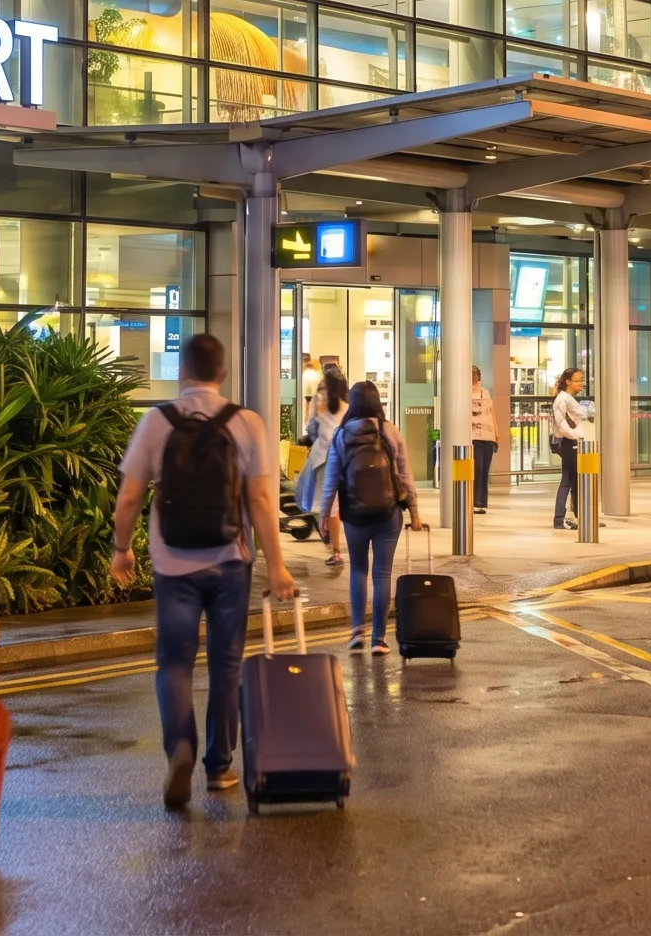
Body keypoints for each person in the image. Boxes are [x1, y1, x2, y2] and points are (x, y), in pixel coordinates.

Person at [109, 333, 295, 808]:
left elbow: (129, 497)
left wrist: (122, 549)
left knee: (173, 663)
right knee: (226, 666)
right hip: (230, 563)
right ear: (224, 374)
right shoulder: (246, 423)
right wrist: (277, 567)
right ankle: (219, 768)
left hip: (173, 564)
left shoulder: (157, 421)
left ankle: (180, 747)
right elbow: (259, 502)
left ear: (181, 371)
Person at [318, 382, 423, 654]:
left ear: (352, 402)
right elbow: (405, 476)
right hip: (388, 514)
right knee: (382, 573)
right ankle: (379, 639)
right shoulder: (389, 431)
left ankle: (356, 634)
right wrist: (414, 513)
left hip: (354, 516)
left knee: (358, 571)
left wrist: (323, 515)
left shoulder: (341, 435)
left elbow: (330, 481)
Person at [298, 366, 348, 567]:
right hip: (344, 458)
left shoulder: (318, 401)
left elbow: (311, 429)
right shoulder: (346, 405)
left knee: (325, 504)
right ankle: (335, 544)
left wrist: (312, 440)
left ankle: (335, 548)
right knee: (336, 505)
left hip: (322, 458)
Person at [548, 369, 591, 528]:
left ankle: (579, 517)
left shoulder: (568, 399)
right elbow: (562, 426)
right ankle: (559, 519)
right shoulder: (562, 400)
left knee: (574, 480)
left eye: (582, 380)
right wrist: (576, 437)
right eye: (578, 380)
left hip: (572, 441)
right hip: (568, 442)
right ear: (568, 382)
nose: (581, 383)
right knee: (568, 480)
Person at [465, 364, 501, 514]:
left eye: (477, 374)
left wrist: (496, 436)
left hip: (488, 436)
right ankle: (472, 501)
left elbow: (491, 414)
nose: (475, 377)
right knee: (476, 469)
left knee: (484, 471)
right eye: (472, 374)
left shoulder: (485, 393)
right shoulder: (463, 393)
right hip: (473, 437)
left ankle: (481, 503)